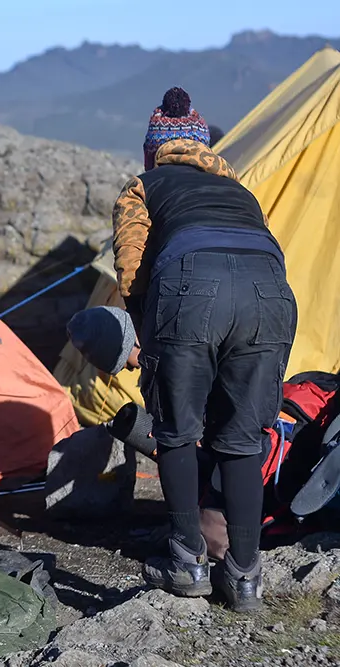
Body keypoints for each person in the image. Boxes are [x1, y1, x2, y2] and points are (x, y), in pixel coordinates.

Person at [110, 86, 298, 612]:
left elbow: (131, 264)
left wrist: (144, 327)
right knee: (242, 435)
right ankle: (243, 576)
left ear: (153, 149)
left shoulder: (142, 186)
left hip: (191, 288)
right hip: (270, 294)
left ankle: (188, 559)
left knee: (176, 428)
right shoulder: (239, 189)